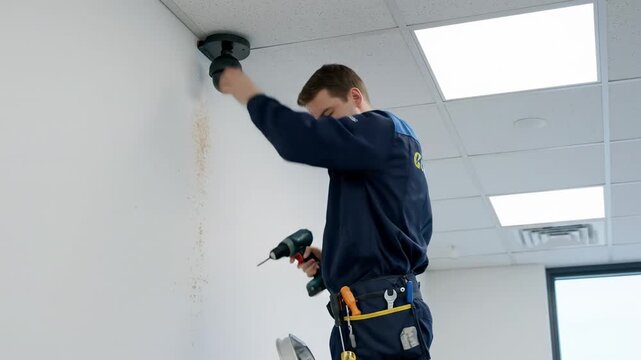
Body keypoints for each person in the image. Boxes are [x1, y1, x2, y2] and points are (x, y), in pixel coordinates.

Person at [219, 64, 433, 360]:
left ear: (355, 97)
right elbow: (391, 229)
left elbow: (298, 139)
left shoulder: (379, 128)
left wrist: (246, 92)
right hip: (370, 315)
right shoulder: (388, 148)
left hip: (381, 317)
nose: (327, 127)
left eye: (329, 116)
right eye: (319, 120)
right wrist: (334, 263)